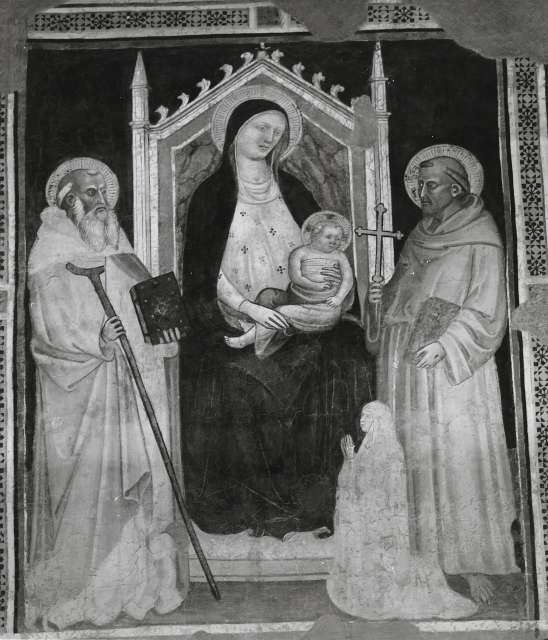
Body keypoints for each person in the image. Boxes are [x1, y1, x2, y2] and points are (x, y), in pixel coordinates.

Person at [180, 86, 373, 538]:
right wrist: (250, 310)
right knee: (234, 378)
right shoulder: (212, 195)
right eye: (261, 127)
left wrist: (327, 291)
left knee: (346, 357)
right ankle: (259, 507)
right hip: (235, 318)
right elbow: (205, 273)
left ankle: (319, 502)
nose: (269, 137)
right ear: (235, 131)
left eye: (278, 131)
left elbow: (327, 251)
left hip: (299, 316)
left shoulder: (295, 190)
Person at [26, 158, 185, 629]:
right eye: (90, 193)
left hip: (135, 391)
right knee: (94, 490)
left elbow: (154, 308)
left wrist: (165, 330)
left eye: (104, 194)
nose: (101, 203)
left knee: (139, 483)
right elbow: (48, 333)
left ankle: (137, 586)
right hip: (85, 397)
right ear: (67, 201)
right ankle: (86, 590)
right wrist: (96, 343)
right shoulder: (50, 256)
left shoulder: (120, 249)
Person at [367, 145, 519, 605]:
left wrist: (447, 344)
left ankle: (468, 560)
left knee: (452, 454)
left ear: (456, 188)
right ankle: (421, 555)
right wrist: (382, 297)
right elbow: (404, 292)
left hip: (451, 365)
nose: (421, 194)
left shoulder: (482, 237)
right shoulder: (419, 234)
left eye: (429, 186)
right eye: (417, 186)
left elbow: (487, 304)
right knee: (413, 451)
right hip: (404, 359)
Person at [327, 402, 478, 620]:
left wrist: (383, 520)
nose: (362, 420)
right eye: (362, 415)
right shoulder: (364, 450)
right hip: (366, 517)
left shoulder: (392, 450)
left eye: (367, 416)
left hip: (383, 519)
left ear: (379, 420)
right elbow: (351, 486)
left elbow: (393, 493)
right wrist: (350, 460)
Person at [224, 211, 354, 358]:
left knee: (281, 312)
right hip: (296, 299)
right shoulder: (300, 253)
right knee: (268, 295)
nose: (334, 241)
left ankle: (250, 340)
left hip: (323, 308)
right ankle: (257, 327)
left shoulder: (339, 256)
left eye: (338, 238)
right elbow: (296, 277)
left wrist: (339, 297)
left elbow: (348, 279)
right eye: (329, 237)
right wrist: (315, 285)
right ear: (315, 235)